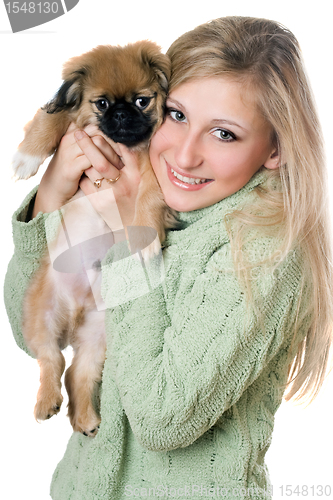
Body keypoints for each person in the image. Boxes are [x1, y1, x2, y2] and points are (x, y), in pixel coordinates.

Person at [4, 16, 333, 500]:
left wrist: (129, 234)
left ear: (276, 149)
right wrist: (51, 194)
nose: (183, 156)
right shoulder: (137, 193)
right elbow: (29, 332)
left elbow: (164, 419)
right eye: (176, 115)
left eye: (224, 134)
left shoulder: (265, 250)